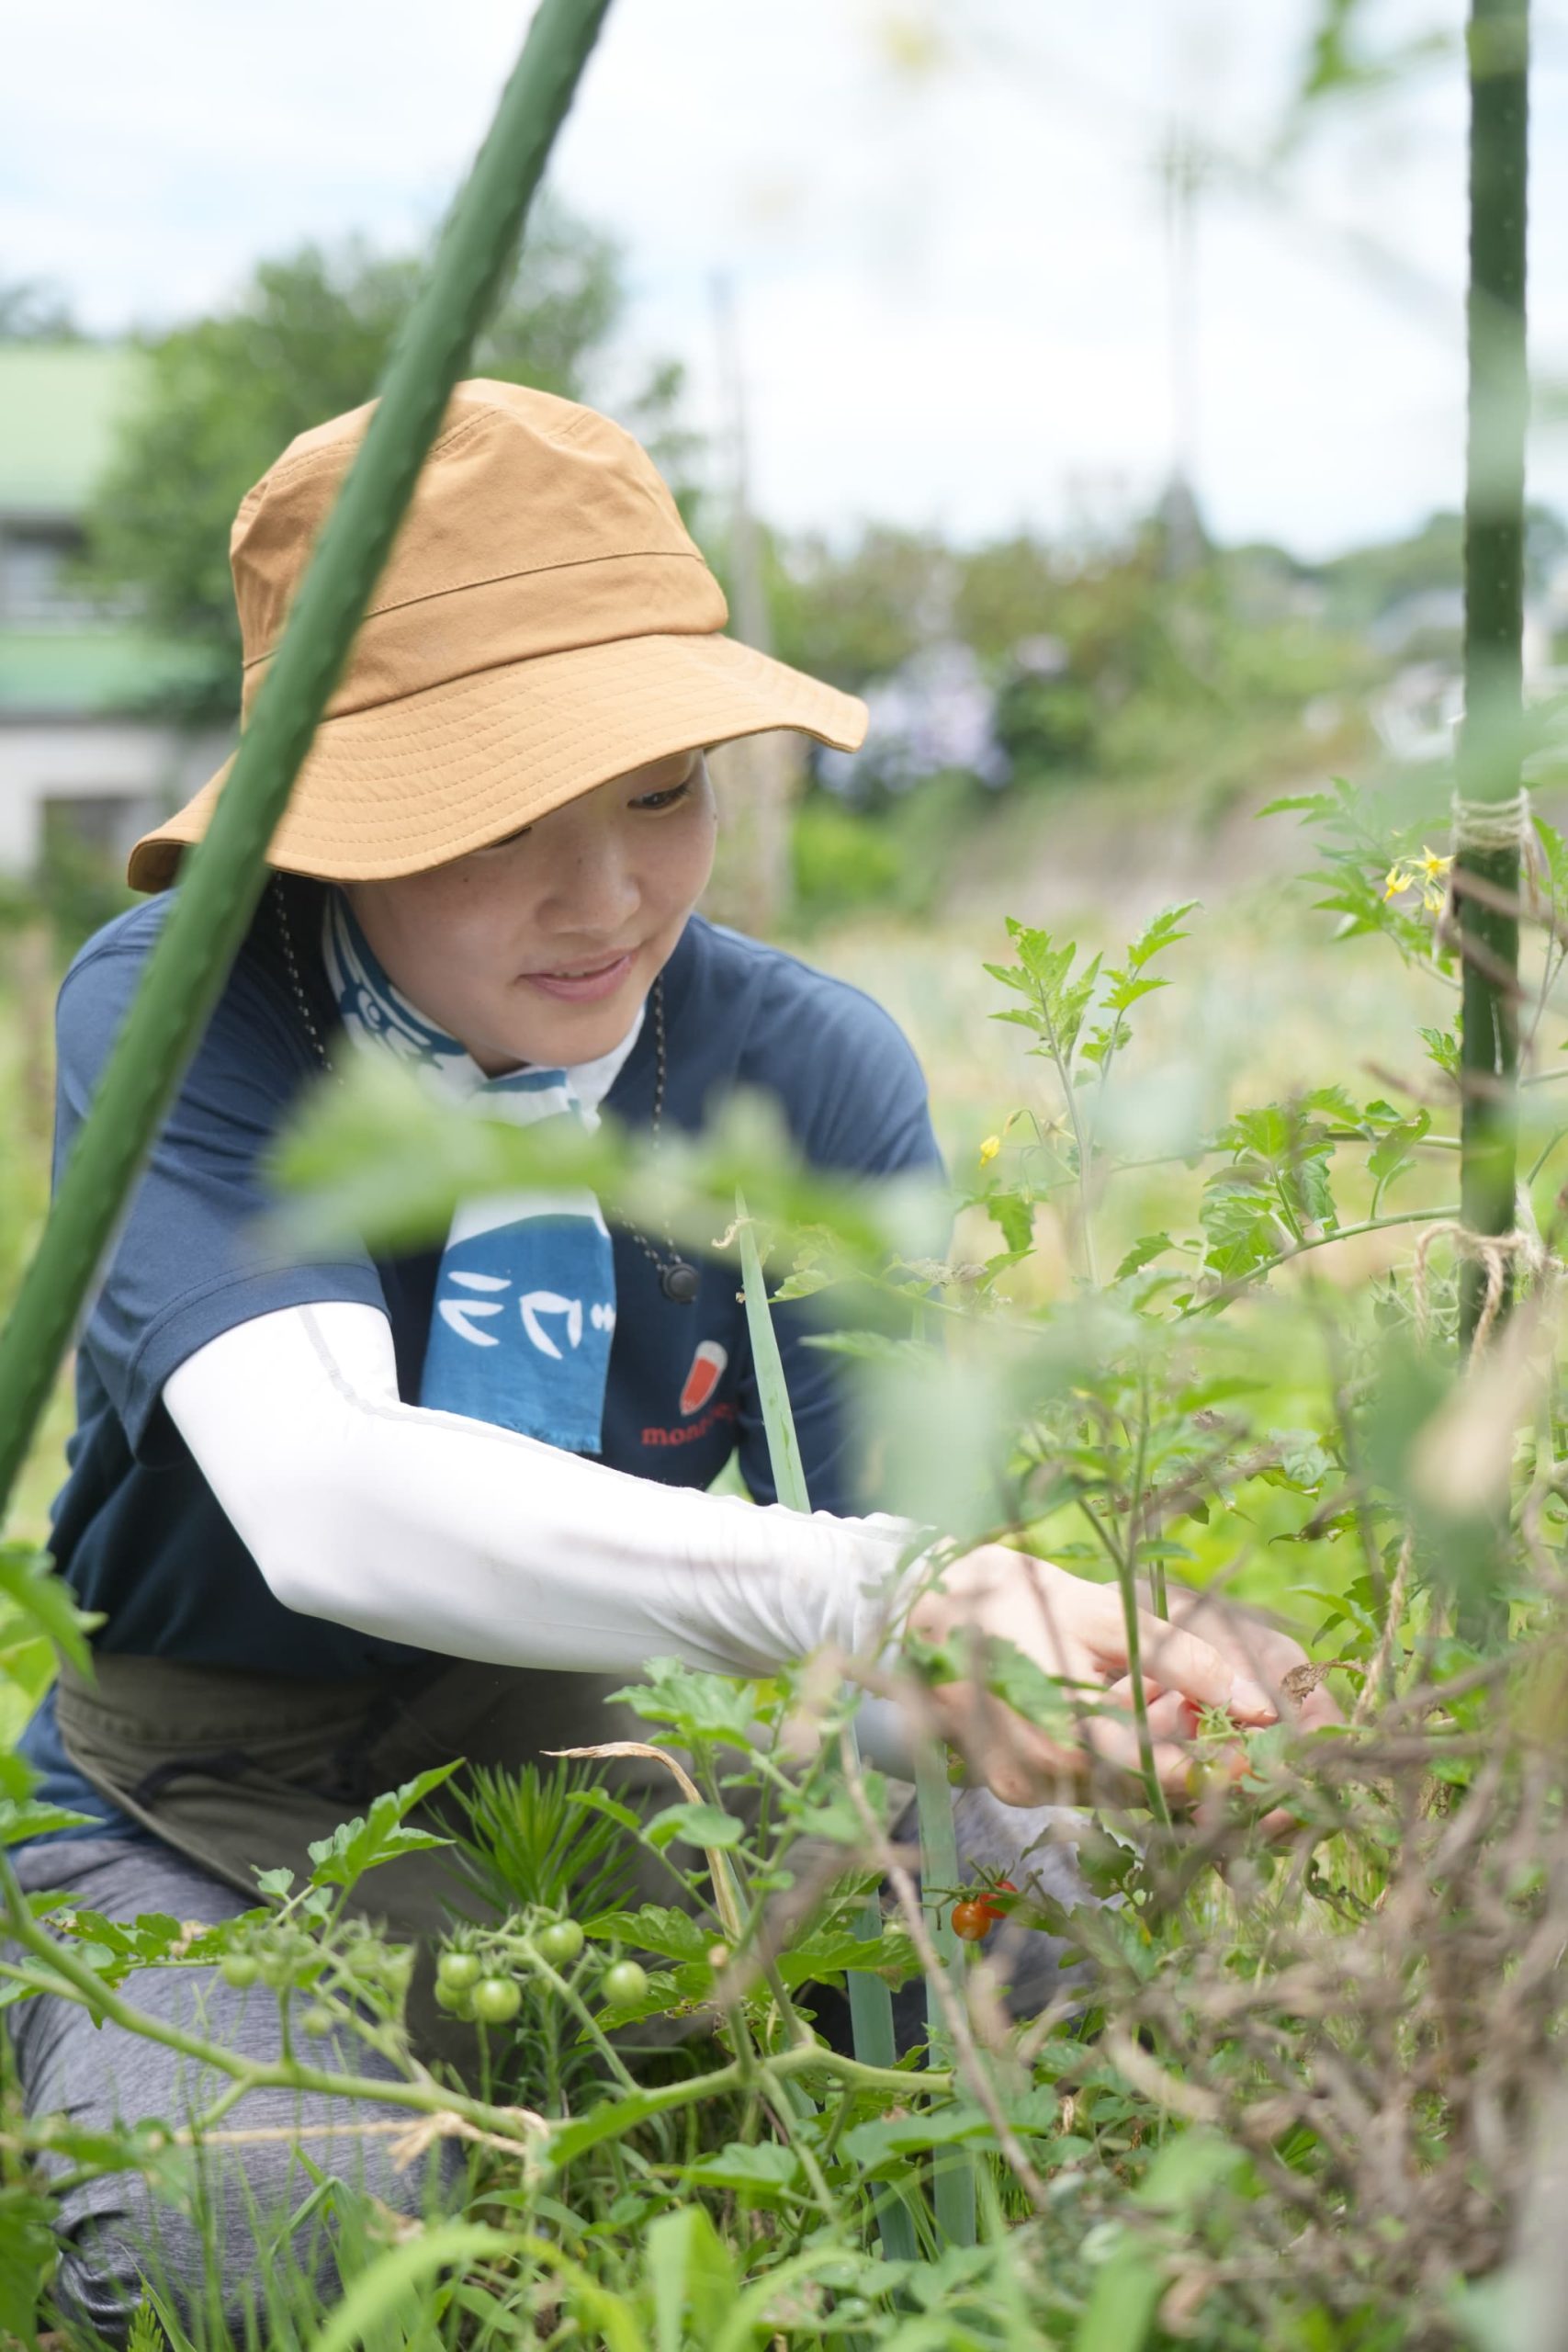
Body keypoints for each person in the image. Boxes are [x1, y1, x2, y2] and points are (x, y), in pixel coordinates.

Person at [6, 381, 1316, 2338]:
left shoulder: (798, 1063)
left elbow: (897, 1602)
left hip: (611, 1746)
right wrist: (875, 1599)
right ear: (320, 821)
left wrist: (1062, 1684)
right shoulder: (199, 996)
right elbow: (321, 1489)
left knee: (1063, 1951)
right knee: (253, 2231)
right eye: (497, 820)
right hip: (206, 1789)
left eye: (656, 788)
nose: (605, 894)